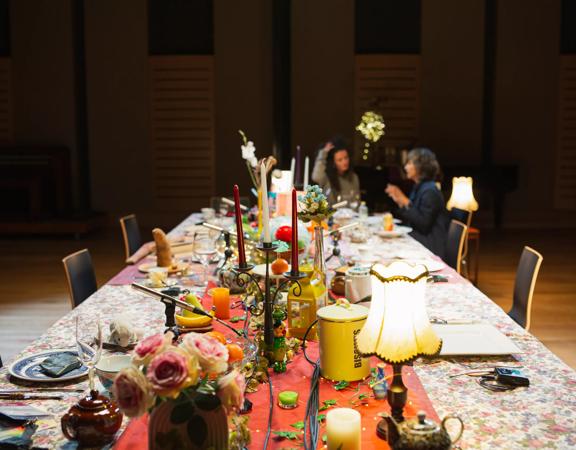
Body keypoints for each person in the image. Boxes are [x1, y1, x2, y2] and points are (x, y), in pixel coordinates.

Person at [385, 148, 449, 259]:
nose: (405, 167)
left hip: (430, 246)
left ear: (421, 167)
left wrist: (405, 201)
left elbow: (423, 225)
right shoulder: (420, 187)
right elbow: (415, 216)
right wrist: (401, 202)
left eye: (409, 163)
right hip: (420, 239)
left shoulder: (430, 191)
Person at [311, 138, 360, 204]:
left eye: (346, 157)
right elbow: (316, 177)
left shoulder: (354, 177)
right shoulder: (326, 178)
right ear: (333, 163)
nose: (344, 162)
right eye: (340, 160)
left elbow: (357, 201)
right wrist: (323, 153)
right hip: (331, 213)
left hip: (351, 214)